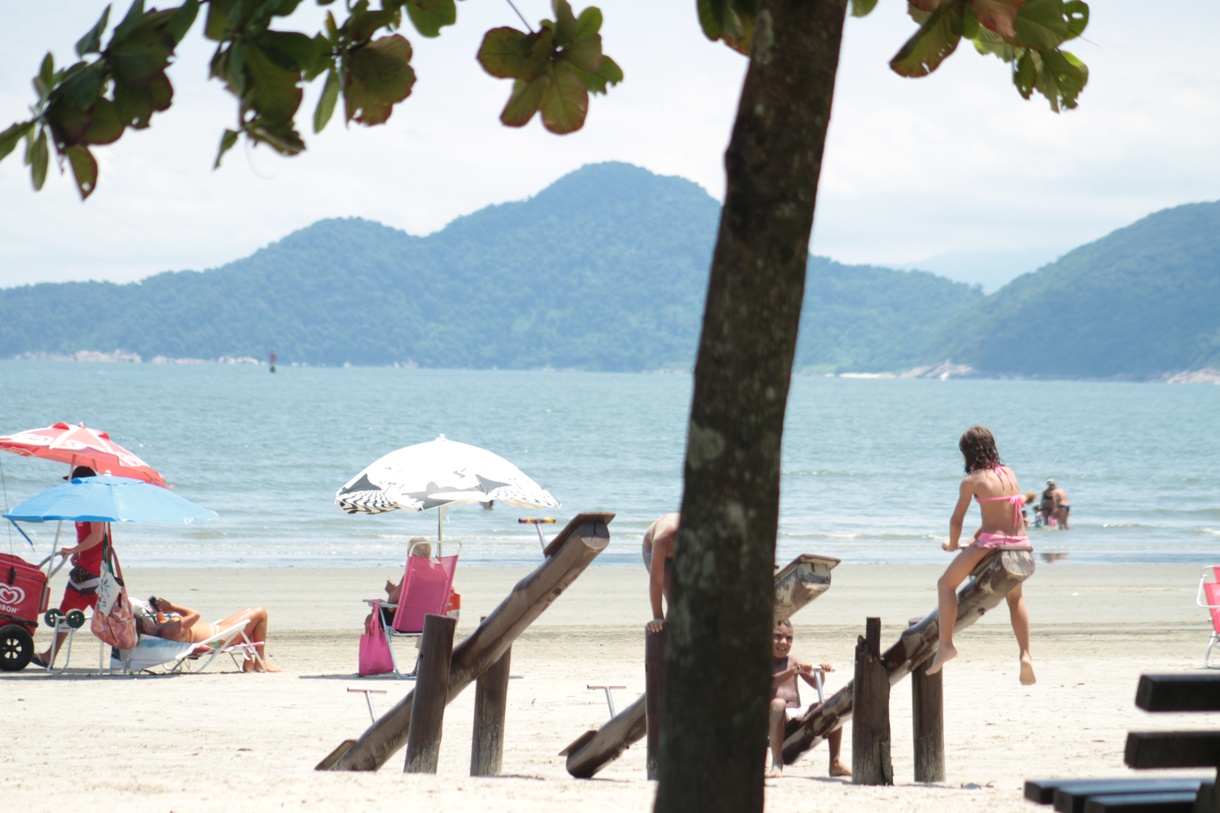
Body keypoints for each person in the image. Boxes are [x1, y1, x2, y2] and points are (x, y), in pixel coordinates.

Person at [926, 426, 1036, 685]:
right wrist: (972, 540)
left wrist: (953, 544)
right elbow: (1002, 516)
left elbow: (956, 520)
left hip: (993, 544)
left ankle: (946, 645)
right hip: (1020, 544)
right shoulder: (1009, 474)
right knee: (1016, 599)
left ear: (968, 453)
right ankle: (1025, 654)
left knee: (945, 584)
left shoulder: (972, 482)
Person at [31, 465, 107, 669]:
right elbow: (87, 538)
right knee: (65, 615)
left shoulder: (96, 506)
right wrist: (78, 553)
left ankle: (127, 651)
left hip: (95, 573)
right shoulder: (82, 507)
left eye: (74, 482)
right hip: (82, 571)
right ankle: (49, 656)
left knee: (106, 619)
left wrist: (74, 549)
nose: (72, 486)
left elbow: (97, 536)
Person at [768, 619, 850, 778]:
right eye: (777, 636)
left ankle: (835, 763)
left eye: (789, 638)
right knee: (778, 703)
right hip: (777, 715)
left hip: (797, 713)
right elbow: (772, 681)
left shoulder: (793, 660)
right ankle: (777, 761)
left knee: (832, 705)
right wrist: (793, 671)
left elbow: (815, 684)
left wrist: (821, 672)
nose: (783, 642)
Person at [136, 597, 279, 672]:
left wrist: (160, 610)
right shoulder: (169, 631)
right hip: (219, 638)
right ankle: (261, 661)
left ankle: (251, 661)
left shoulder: (160, 629)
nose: (146, 617)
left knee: (249, 611)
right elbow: (195, 615)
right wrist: (172, 607)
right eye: (143, 618)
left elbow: (164, 623)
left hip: (218, 631)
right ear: (145, 626)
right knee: (260, 612)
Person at [642, 513, 679, 633]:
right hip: (651, 548)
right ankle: (665, 636)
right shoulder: (661, 541)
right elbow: (656, 581)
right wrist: (658, 617)